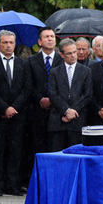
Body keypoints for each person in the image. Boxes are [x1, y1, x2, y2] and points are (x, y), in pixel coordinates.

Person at [0, 30, 31, 196]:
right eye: (5, 42)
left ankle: (12, 184)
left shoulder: (23, 64)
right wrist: (4, 108)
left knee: (15, 150)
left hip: (17, 115)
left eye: (11, 42)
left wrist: (13, 108)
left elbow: (27, 89)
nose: (8, 45)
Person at [48, 38, 92, 152]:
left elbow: (87, 95)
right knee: (58, 157)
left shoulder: (86, 71)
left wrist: (72, 111)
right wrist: (66, 110)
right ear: (61, 55)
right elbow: (52, 94)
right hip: (58, 121)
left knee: (77, 155)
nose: (73, 55)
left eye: (74, 52)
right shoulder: (54, 71)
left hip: (78, 120)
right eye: (69, 53)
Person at [27, 27, 63, 163]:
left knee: (55, 149)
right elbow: (28, 85)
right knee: (37, 149)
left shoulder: (62, 60)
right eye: (46, 37)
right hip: (37, 112)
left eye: (52, 37)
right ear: (39, 42)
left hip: (57, 113)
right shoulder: (31, 61)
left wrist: (53, 100)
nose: (50, 39)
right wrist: (40, 99)